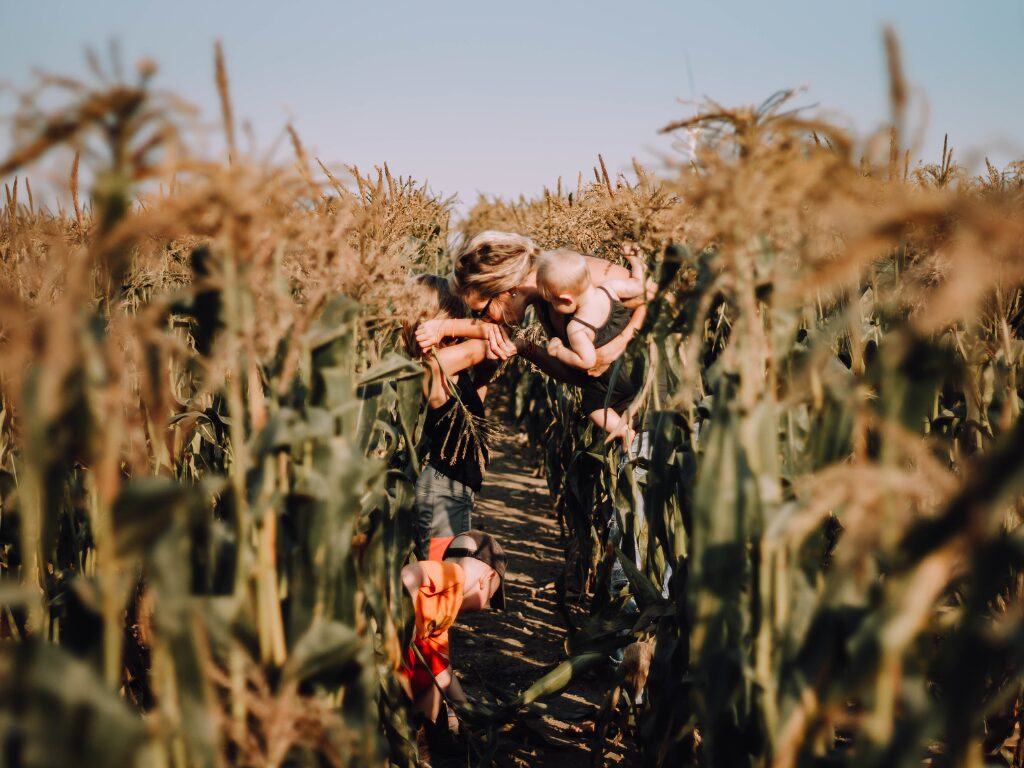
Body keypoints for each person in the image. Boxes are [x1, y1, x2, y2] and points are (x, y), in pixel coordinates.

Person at [415, 231, 647, 386]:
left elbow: (661, 301)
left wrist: (617, 346)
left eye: (482, 312)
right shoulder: (544, 304)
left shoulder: (574, 275)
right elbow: (579, 376)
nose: (486, 321)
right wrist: (526, 349)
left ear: (508, 289)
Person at [402, 275, 500, 560]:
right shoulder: (435, 365)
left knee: (447, 577)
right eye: (461, 315)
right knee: (440, 582)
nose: (467, 321)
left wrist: (483, 380)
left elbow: (468, 417)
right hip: (443, 492)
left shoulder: (452, 367)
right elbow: (496, 336)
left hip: (454, 491)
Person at [400, 531, 508, 736]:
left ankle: (418, 732)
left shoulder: (447, 607)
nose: (485, 605)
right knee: (437, 674)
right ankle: (418, 733)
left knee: (439, 672)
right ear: (487, 578)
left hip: (401, 661)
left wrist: (463, 708)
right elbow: (409, 575)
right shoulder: (453, 575)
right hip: (391, 646)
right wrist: (407, 621)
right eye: (490, 597)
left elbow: (444, 668)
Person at [535, 248, 646, 446]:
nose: (551, 306)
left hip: (615, 377)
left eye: (551, 301)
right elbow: (639, 286)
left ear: (567, 299)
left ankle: (623, 431)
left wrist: (559, 351)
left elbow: (587, 361)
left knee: (593, 405)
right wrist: (635, 262)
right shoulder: (609, 288)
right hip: (639, 361)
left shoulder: (577, 328)